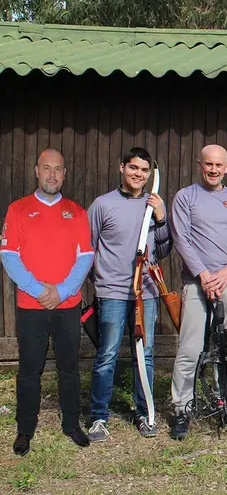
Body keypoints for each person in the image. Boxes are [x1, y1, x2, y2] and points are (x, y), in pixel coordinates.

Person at [0, 148, 94, 455]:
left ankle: (71, 424)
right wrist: (38, 289)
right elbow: (9, 255)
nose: (52, 174)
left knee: (69, 368)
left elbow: (85, 257)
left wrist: (63, 291)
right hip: (32, 306)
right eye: (46, 168)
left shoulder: (77, 212)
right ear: (36, 171)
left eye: (58, 169)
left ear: (64, 174)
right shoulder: (18, 209)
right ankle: (25, 429)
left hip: (66, 306)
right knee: (29, 369)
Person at [86, 147, 172, 442]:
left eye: (145, 171)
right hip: (112, 292)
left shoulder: (153, 205)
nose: (139, 175)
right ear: (122, 167)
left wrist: (161, 219)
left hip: (145, 293)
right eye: (134, 168)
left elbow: (163, 249)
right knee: (107, 354)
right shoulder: (102, 205)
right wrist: (99, 280)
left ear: (150, 174)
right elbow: (88, 248)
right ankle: (98, 417)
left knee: (144, 355)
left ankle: (144, 412)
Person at [169, 144, 227, 440]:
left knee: (226, 349)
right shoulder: (185, 197)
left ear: (226, 168)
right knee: (190, 348)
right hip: (197, 283)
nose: (213, 169)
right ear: (199, 165)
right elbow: (182, 239)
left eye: (219, 165)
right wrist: (204, 275)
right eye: (208, 164)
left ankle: (223, 402)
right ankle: (182, 408)